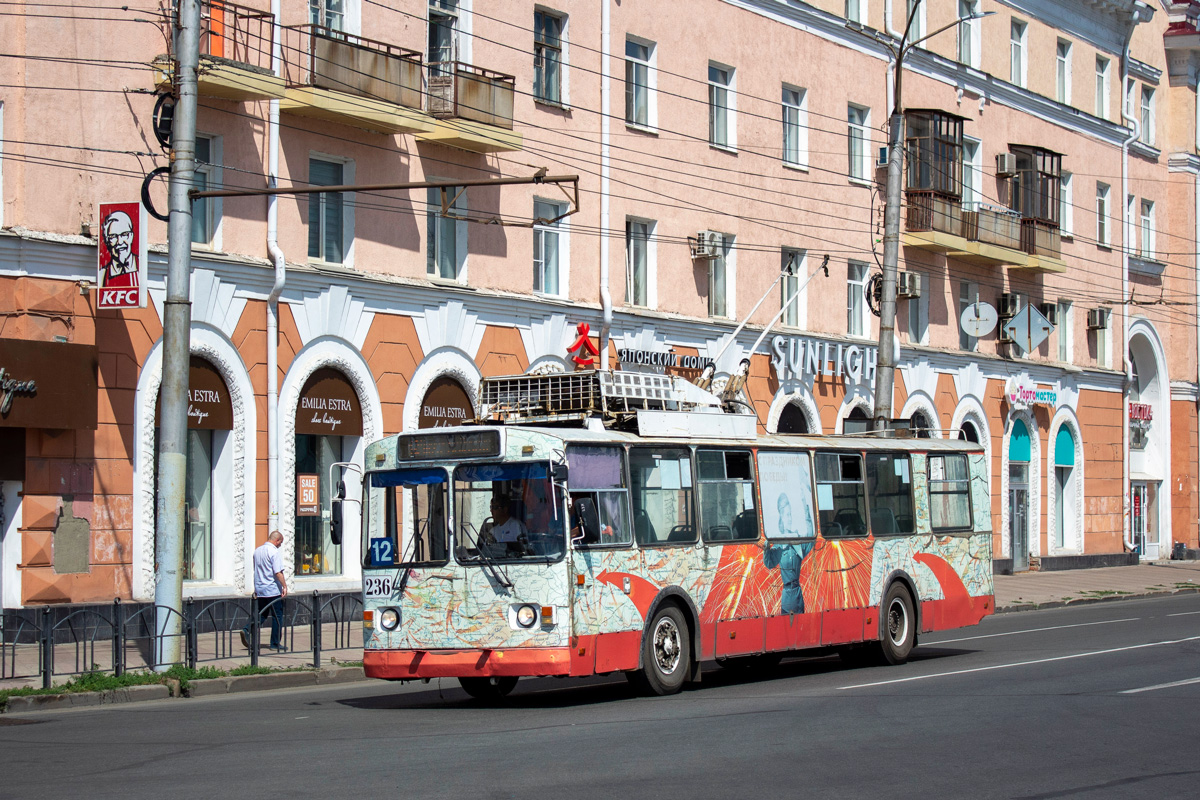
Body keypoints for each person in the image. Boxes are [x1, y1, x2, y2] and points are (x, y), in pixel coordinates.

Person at [761, 493, 814, 615]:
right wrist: (767, 547)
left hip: (797, 594)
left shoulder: (798, 543)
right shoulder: (779, 546)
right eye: (787, 515)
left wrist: (807, 512)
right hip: (787, 594)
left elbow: (811, 540)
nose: (790, 518)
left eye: (791, 514)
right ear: (782, 517)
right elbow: (769, 564)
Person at [241, 530, 288, 652]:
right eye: (280, 542)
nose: (280, 545)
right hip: (272, 589)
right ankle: (275, 643)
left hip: (260, 588)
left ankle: (246, 629)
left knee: (262, 614)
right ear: (276, 540)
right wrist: (284, 586)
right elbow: (278, 572)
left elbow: (256, 569)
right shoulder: (273, 552)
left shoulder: (257, 551)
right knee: (277, 616)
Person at [99, 209, 139, 288]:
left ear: (131, 236)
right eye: (113, 236)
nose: (120, 242)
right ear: (107, 241)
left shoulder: (143, 268)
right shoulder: (102, 274)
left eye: (124, 234)